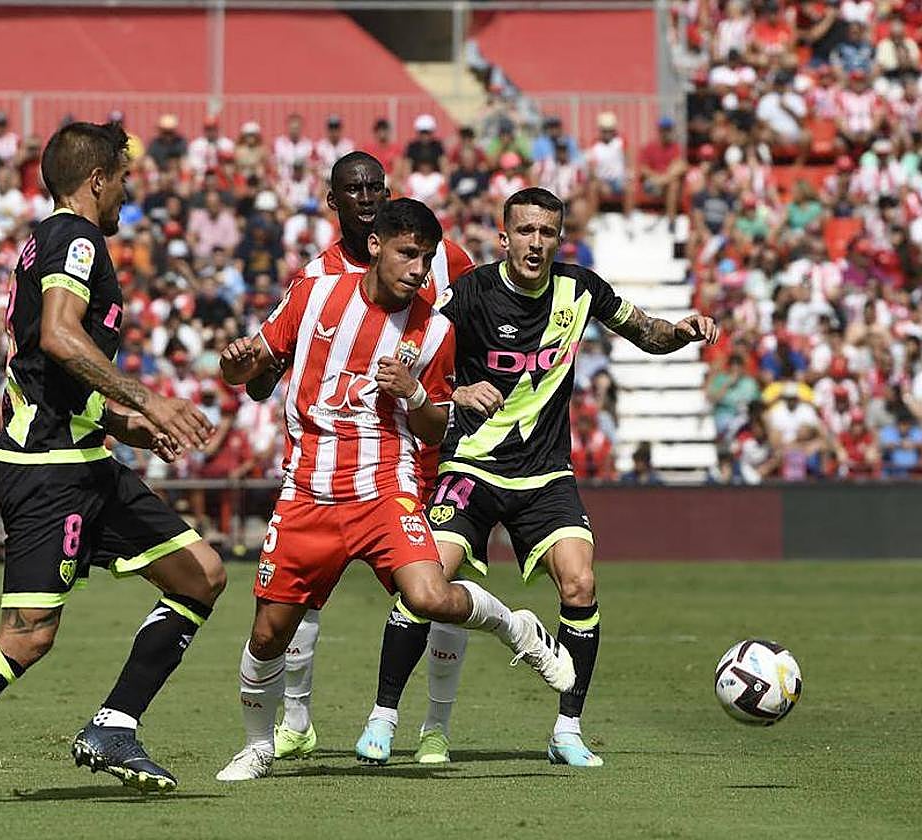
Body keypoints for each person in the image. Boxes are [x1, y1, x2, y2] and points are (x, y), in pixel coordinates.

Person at [0, 121, 223, 806]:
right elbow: (60, 338)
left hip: (85, 457)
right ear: (97, 181)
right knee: (29, 636)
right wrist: (148, 396)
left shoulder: (48, 238)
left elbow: (48, 367)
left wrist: (129, 425)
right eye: (122, 180)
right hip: (48, 469)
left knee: (201, 575)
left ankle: (115, 726)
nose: (127, 194)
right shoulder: (78, 238)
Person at [348, 188, 718, 768]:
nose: (536, 243)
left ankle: (567, 729)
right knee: (422, 582)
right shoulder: (467, 295)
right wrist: (454, 392)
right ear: (504, 238)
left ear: (559, 238)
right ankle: (383, 716)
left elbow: (648, 333)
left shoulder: (581, 289)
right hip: (471, 463)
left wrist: (685, 330)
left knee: (580, 584)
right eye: (525, 231)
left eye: (547, 232)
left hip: (546, 475)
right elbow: (412, 358)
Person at [214, 199, 572, 782]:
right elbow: (251, 366)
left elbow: (437, 427)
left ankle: (515, 627)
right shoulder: (315, 295)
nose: (418, 269)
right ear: (375, 245)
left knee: (430, 596)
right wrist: (234, 363)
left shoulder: (433, 330)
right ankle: (258, 745)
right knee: (266, 633)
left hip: (386, 485)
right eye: (408, 253)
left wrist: (413, 393)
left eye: (426, 258)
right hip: (307, 489)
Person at [242, 151, 473, 763]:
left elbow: (468, 332)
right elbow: (269, 374)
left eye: (376, 186)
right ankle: (295, 718)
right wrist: (252, 370)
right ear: (334, 201)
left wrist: (467, 391)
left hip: (430, 451)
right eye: (354, 189)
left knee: (437, 586)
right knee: (305, 595)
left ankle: (435, 727)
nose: (367, 195)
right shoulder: (315, 280)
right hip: (334, 463)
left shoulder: (440, 255)